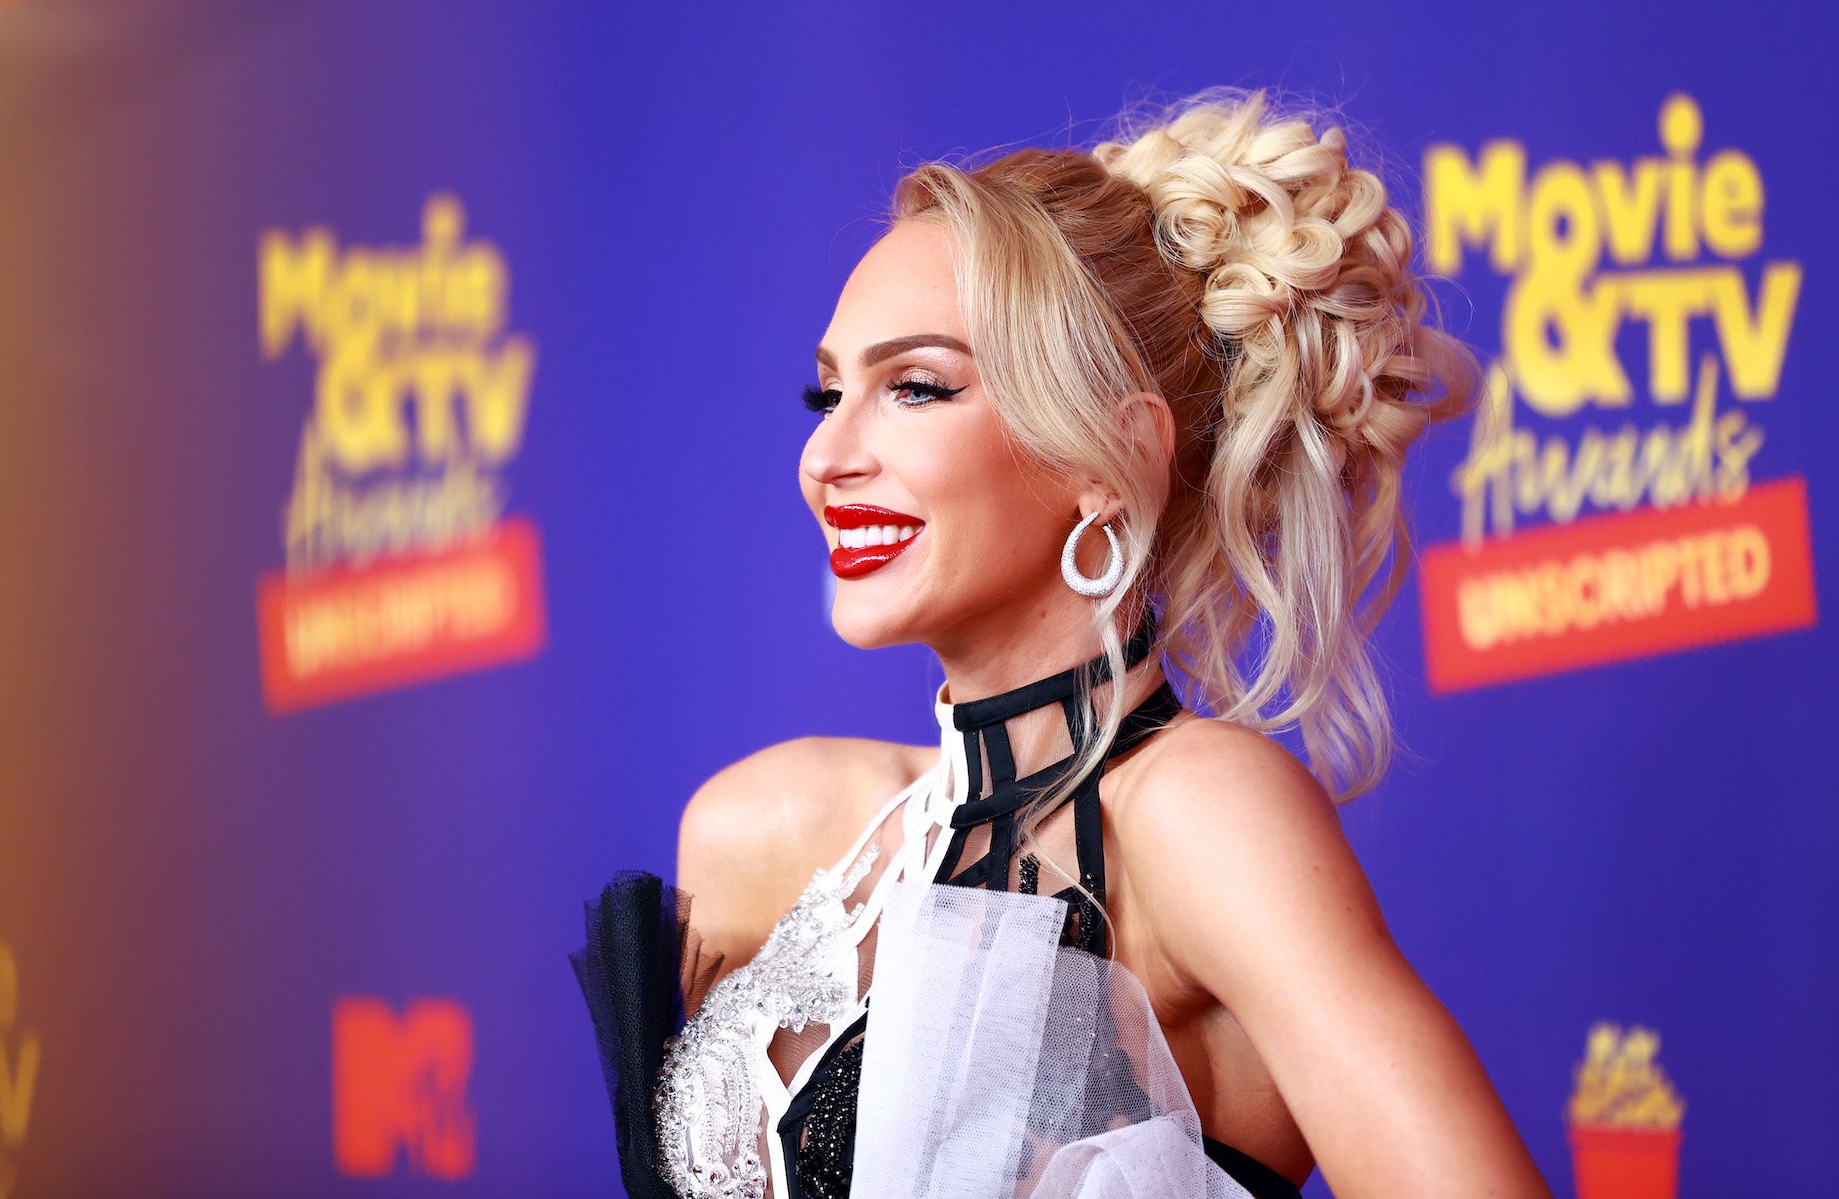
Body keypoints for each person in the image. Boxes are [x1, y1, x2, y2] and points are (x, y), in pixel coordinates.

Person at [573, 89, 1553, 1199]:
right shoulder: (762, 827)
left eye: (915, 388)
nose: (825, 456)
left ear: (1108, 455)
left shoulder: (1196, 813)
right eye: (825, 391)